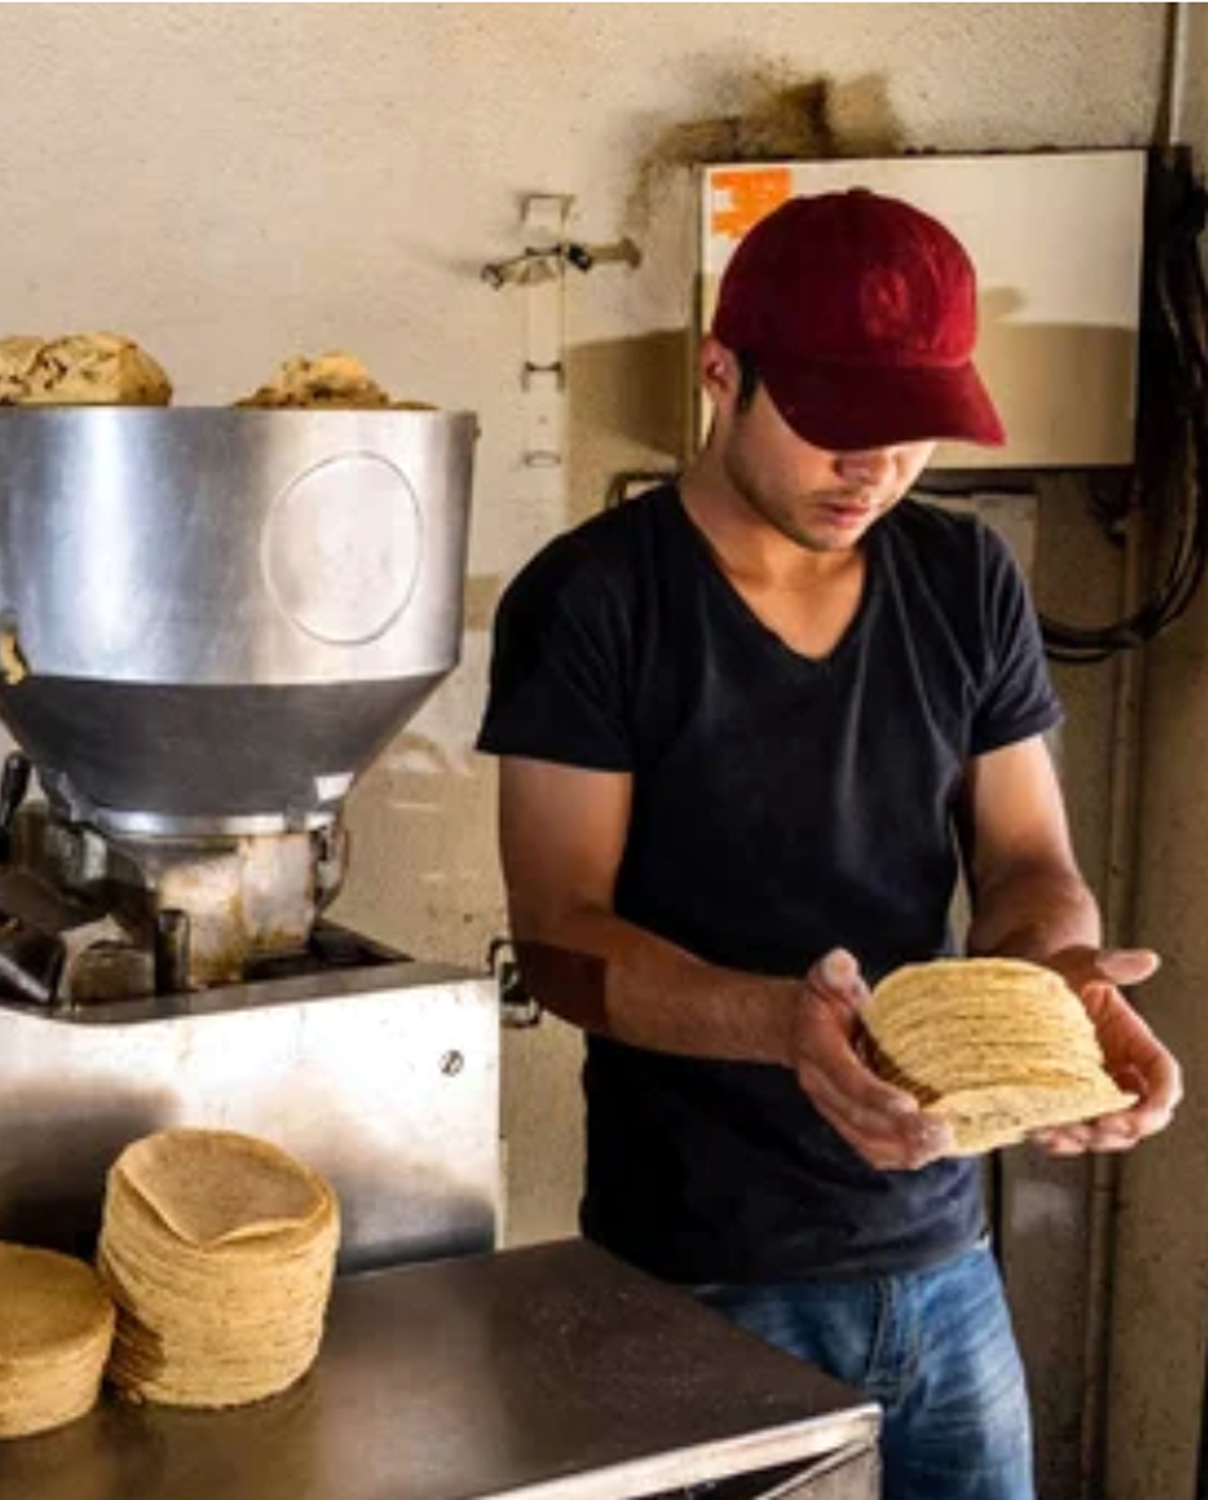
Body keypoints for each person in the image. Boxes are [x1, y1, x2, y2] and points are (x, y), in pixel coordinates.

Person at [477, 187, 1183, 1500]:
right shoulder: (596, 602)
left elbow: (1033, 868)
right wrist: (782, 1028)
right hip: (702, 1273)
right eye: (834, 425)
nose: (876, 466)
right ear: (720, 376)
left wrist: (1055, 996)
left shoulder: (965, 581)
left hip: (943, 1262)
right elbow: (563, 936)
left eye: (912, 429)